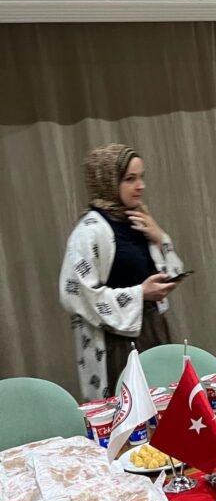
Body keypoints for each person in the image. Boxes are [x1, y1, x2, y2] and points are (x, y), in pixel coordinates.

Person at [59, 144, 182, 400]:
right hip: (117, 341)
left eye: (141, 177)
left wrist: (160, 238)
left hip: (152, 327)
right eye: (130, 179)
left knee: (166, 404)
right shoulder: (90, 231)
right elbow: (76, 295)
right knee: (132, 408)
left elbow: (166, 270)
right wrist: (140, 293)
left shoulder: (138, 220)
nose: (140, 186)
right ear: (107, 182)